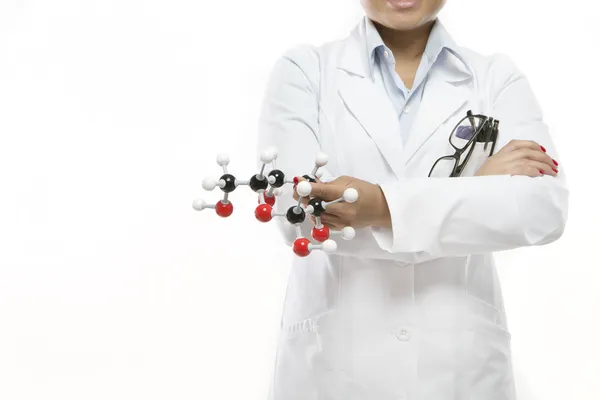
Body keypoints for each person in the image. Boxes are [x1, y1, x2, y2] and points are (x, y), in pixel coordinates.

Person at [256, 0, 569, 399]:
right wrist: (475, 186)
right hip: (334, 367)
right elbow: (298, 212)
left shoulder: (496, 78)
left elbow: (541, 209)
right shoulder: (304, 72)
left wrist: (381, 207)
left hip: (460, 369)